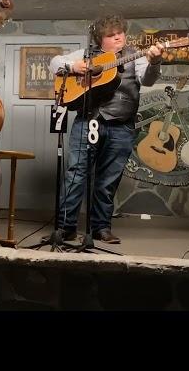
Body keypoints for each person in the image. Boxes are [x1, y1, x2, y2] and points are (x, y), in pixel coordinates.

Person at [48, 15, 164, 244]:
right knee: (76, 174)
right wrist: (73, 66)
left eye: (120, 32)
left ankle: (101, 228)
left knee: (108, 180)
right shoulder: (85, 55)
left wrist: (155, 62)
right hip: (87, 120)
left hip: (121, 126)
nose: (118, 37)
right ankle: (66, 227)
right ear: (100, 39)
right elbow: (54, 63)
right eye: (111, 35)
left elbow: (148, 80)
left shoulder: (135, 56)